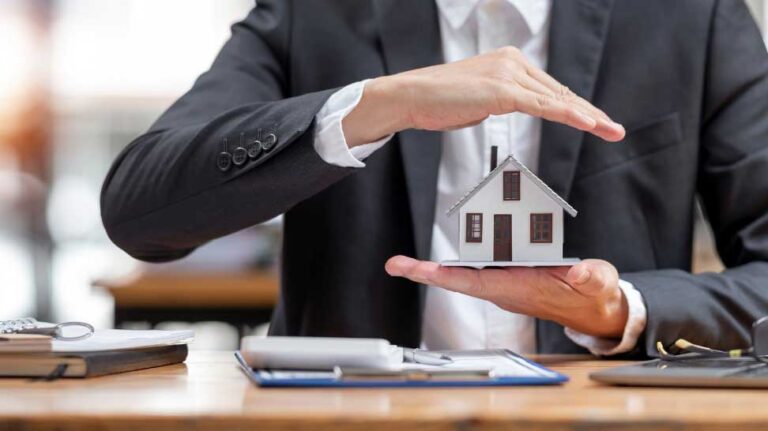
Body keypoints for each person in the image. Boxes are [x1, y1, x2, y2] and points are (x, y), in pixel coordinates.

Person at [101, 0, 768, 357]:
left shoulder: (693, 14)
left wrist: (624, 306)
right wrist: (377, 105)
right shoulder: (316, 12)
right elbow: (137, 210)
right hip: (353, 415)